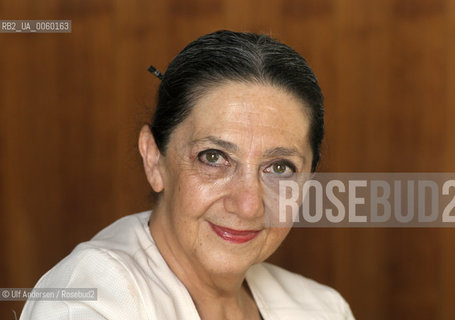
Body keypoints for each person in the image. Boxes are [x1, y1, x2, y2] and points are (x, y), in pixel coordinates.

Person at [21, 30, 354, 319]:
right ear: (154, 159)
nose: (249, 205)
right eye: (214, 157)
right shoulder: (89, 302)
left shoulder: (322, 309)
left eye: (280, 168)